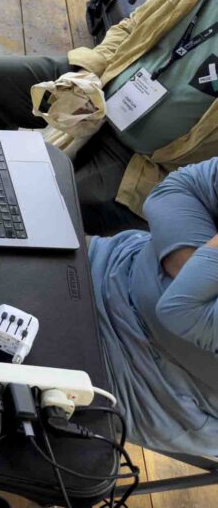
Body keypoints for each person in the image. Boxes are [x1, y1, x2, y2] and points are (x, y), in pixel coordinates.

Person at [0, 0, 218, 235]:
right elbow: (133, 25)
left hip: (143, 161)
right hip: (102, 84)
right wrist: (88, 71)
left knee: (41, 207)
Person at [90, 158, 218, 456]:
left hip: (142, 377)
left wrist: (192, 267)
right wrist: (193, 268)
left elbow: (182, 310)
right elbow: (178, 186)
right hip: (111, 264)